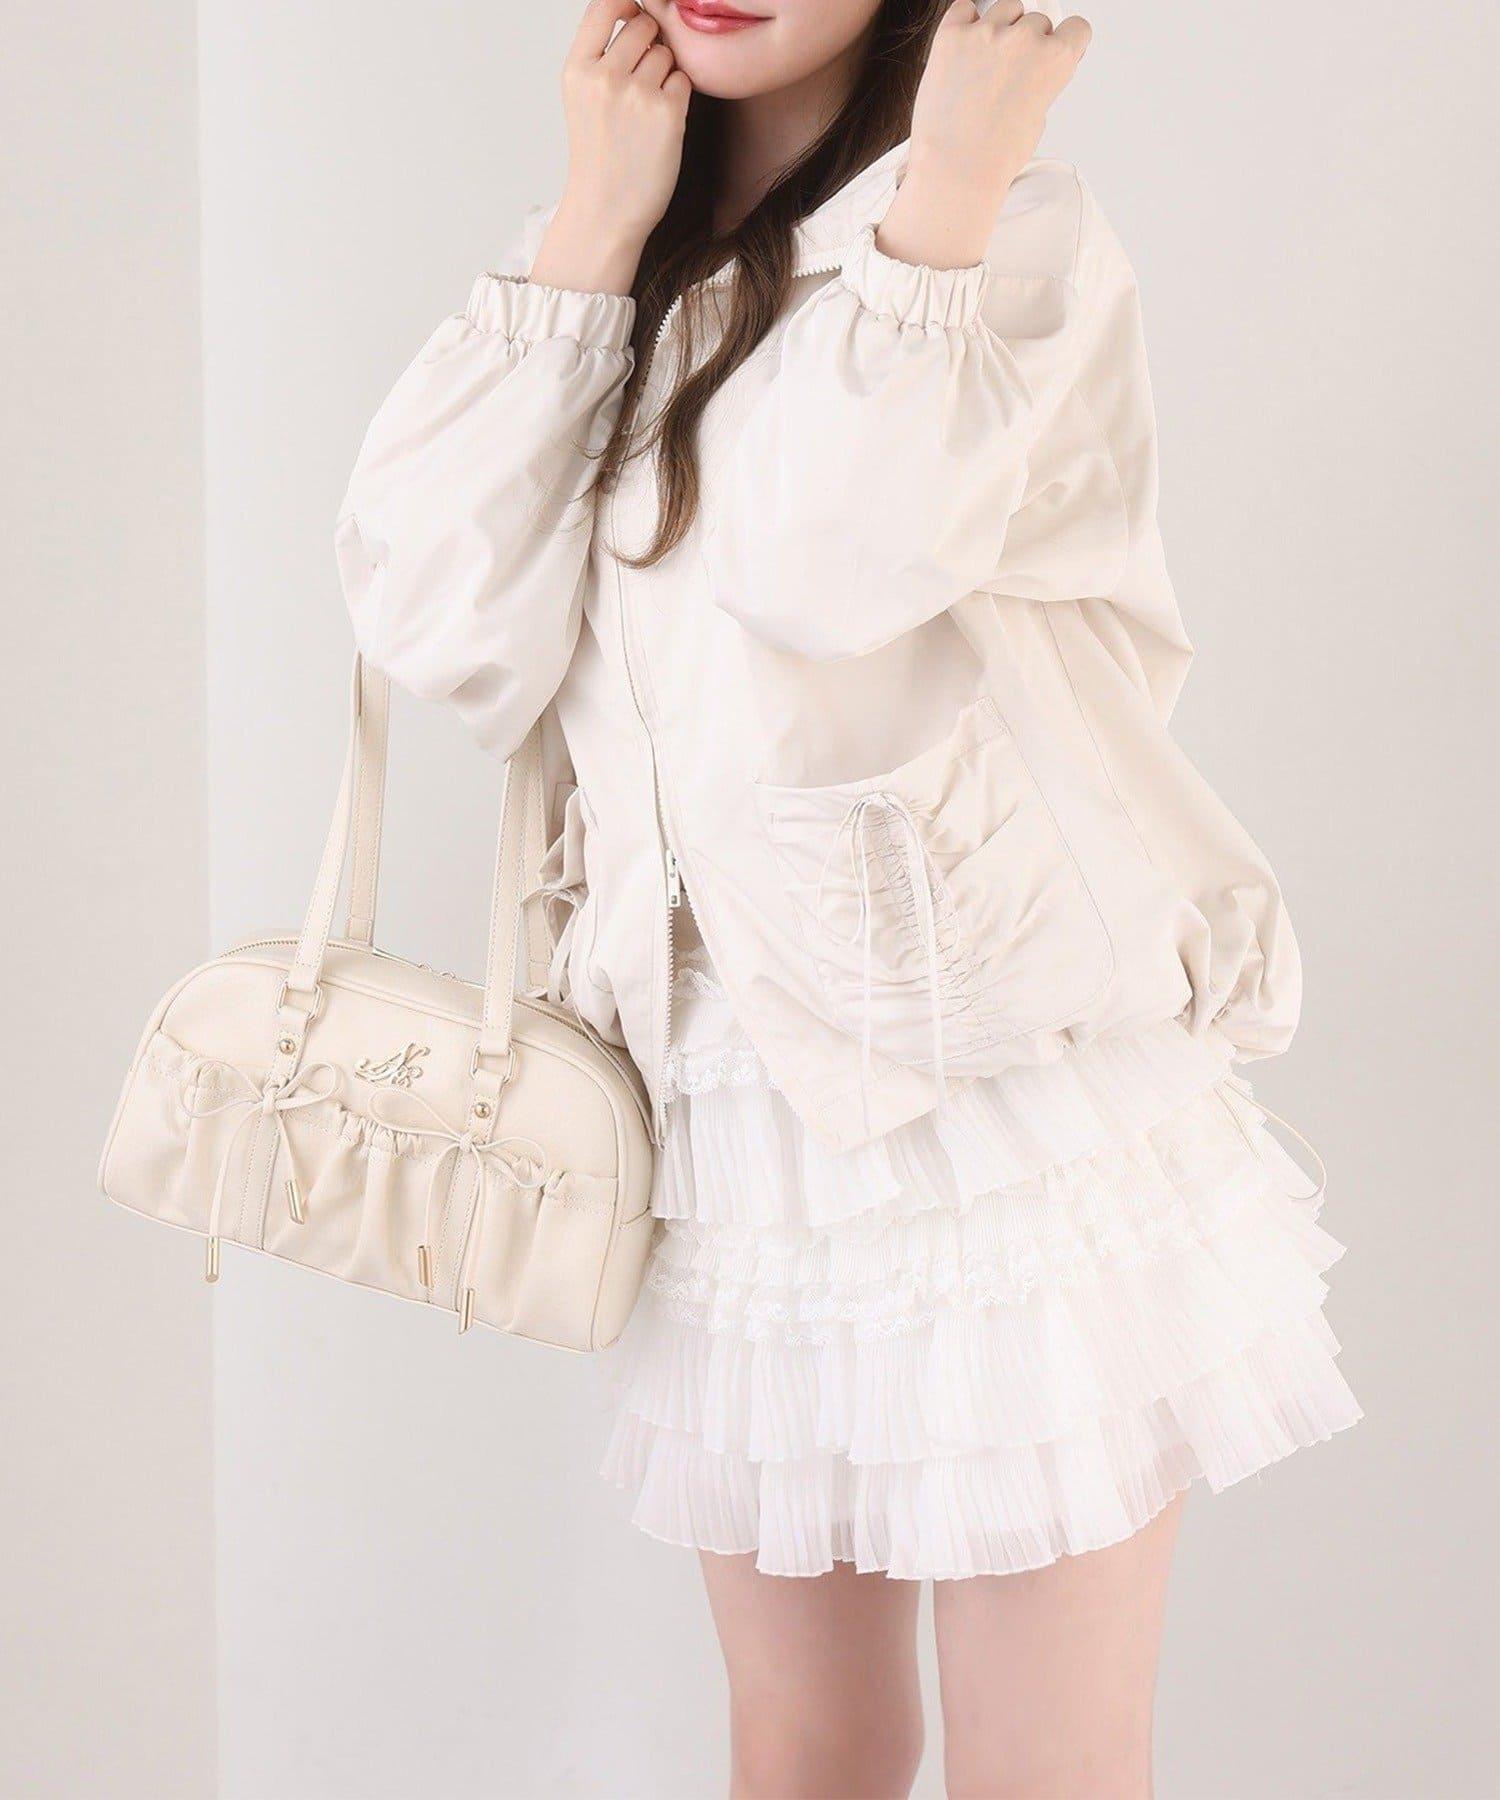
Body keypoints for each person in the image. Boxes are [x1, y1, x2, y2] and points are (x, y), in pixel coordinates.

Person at [336, 2, 1360, 1791]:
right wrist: (591, 231)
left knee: (1045, 1761)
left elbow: (823, 565)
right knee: (802, 1748)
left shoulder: (1007, 234)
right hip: (726, 1127)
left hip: (993, 1107)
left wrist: (944, 189)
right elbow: (434, 623)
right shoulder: (606, 263)